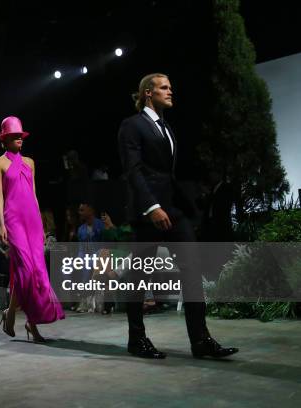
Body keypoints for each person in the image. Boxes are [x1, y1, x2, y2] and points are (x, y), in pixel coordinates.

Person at [118, 73, 238, 359]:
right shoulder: (131, 125)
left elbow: (166, 174)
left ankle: (201, 340)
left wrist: (185, 207)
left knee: (192, 270)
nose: (170, 91)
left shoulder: (167, 128)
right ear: (148, 93)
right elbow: (133, 171)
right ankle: (137, 340)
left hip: (173, 210)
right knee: (138, 277)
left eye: (171, 87)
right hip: (148, 213)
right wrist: (151, 207)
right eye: (164, 87)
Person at [0, 116, 65, 342]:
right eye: (14, 137)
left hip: (32, 219)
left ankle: (31, 323)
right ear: (5, 140)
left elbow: (33, 194)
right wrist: (2, 224)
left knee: (36, 272)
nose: (19, 140)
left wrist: (41, 223)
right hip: (13, 220)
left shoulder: (30, 163)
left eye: (21, 137)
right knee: (24, 269)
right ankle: (11, 313)